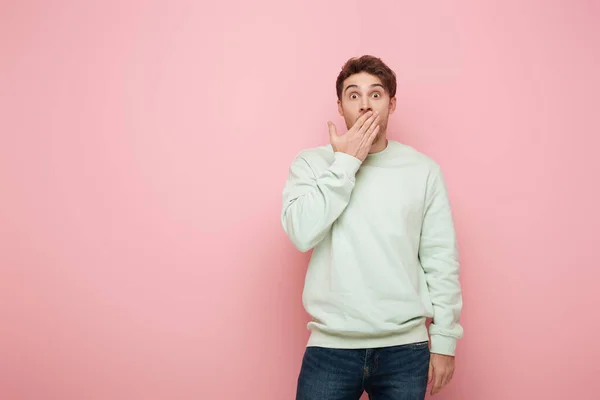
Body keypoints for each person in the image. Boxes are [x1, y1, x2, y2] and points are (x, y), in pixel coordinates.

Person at [280, 55, 464, 399]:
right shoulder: (312, 163)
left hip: (405, 350)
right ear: (340, 105)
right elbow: (301, 233)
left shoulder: (422, 171)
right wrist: (346, 162)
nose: (365, 106)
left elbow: (441, 260)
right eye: (353, 95)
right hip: (330, 348)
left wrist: (445, 342)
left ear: (392, 104)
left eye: (375, 95)